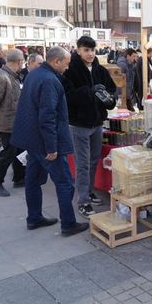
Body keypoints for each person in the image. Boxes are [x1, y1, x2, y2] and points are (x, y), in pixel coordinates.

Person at [11, 47, 89, 237]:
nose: (67, 67)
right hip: (45, 142)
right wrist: (52, 146)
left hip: (32, 139)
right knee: (65, 183)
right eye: (66, 63)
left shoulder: (34, 74)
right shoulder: (49, 80)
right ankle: (68, 224)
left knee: (33, 181)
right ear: (56, 62)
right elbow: (48, 116)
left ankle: (34, 218)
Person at [62, 36, 116, 218]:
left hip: (97, 123)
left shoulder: (100, 69)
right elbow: (67, 96)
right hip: (79, 124)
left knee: (93, 160)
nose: (90, 53)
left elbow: (112, 89)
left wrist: (110, 98)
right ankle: (83, 201)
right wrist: (89, 92)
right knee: (82, 164)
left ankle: (89, 192)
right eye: (86, 50)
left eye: (92, 50)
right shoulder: (71, 70)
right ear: (78, 50)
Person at [0, 49, 26, 197]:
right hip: (6, 124)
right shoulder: (1, 77)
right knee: (8, 153)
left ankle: (19, 178)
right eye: (23, 61)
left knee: (19, 151)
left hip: (15, 123)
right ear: (19, 61)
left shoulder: (13, 75)